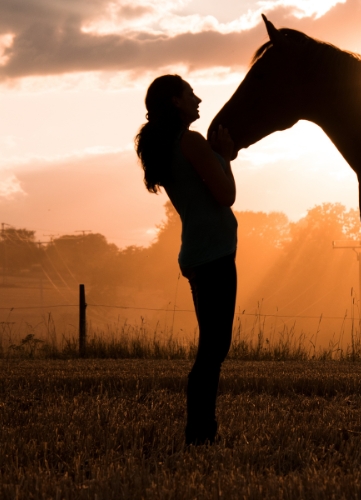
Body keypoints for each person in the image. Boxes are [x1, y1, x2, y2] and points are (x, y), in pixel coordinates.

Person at [135, 74, 238, 445]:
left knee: (213, 345)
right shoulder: (191, 142)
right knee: (214, 347)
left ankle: (201, 429)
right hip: (213, 253)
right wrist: (225, 157)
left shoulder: (173, 144)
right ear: (176, 102)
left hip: (199, 251)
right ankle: (199, 431)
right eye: (190, 93)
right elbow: (225, 195)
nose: (198, 99)